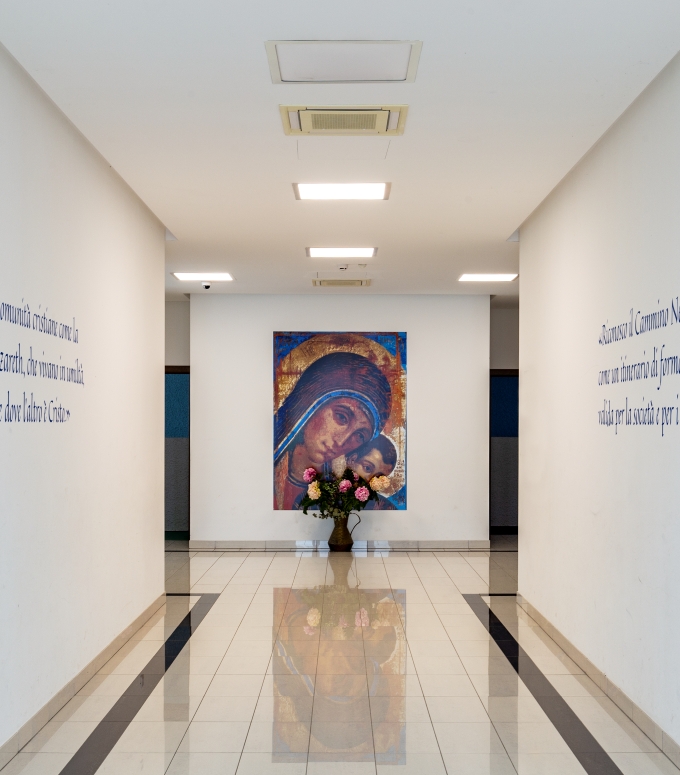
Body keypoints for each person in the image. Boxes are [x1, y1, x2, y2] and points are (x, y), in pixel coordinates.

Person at [274, 351, 392, 510]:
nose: (341, 442)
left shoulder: (343, 492)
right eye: (342, 417)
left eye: (359, 435)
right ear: (312, 403)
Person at [347, 435, 398, 511]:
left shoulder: (383, 506)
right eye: (367, 468)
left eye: (378, 477)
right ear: (352, 460)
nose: (370, 480)